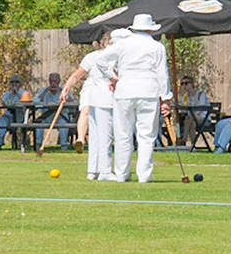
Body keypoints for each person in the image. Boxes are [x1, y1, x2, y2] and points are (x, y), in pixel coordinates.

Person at [96, 14, 169, 182]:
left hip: (125, 92)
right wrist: (165, 98)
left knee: (123, 134)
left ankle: (122, 174)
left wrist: (111, 76)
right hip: (149, 91)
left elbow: (100, 59)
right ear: (150, 28)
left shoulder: (123, 44)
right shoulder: (157, 47)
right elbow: (162, 74)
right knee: (146, 136)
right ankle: (144, 175)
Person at [61, 30, 121, 180]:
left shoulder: (100, 57)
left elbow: (77, 75)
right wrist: (65, 89)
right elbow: (78, 75)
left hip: (95, 98)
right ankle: (105, 171)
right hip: (105, 98)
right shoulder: (110, 58)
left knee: (96, 135)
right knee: (105, 135)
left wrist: (65, 89)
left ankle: (92, 170)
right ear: (107, 43)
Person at [0, 74, 31, 150]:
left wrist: (17, 93)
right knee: (2, 121)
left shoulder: (24, 93)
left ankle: (21, 144)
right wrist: (11, 94)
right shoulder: (7, 94)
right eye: (12, 82)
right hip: (9, 114)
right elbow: (4, 103)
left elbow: (26, 103)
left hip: (20, 115)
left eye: (16, 82)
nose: (14, 84)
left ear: (20, 84)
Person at [37, 72, 72, 149]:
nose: (53, 83)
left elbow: (72, 102)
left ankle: (64, 146)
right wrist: (46, 91)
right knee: (38, 125)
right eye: (51, 81)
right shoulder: (43, 91)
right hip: (46, 117)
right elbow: (37, 103)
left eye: (55, 81)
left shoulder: (64, 90)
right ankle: (38, 145)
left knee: (64, 125)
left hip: (61, 117)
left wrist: (64, 93)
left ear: (59, 82)